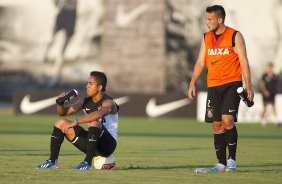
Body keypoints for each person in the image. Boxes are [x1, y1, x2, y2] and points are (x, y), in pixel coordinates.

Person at [187, 5, 254, 172]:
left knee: (227, 120)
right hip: (213, 86)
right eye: (206, 19)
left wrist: (249, 85)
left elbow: (244, 61)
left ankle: (232, 159)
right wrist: (192, 82)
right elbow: (200, 62)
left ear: (220, 19)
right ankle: (221, 164)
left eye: (210, 19)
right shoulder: (206, 37)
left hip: (232, 84)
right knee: (217, 125)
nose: (207, 22)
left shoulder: (235, 35)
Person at [36, 71, 119, 170]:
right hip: (92, 142)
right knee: (60, 122)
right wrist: (60, 103)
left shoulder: (108, 102)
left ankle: (87, 163)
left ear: (100, 87)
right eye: (87, 83)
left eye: (90, 83)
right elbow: (63, 113)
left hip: (107, 146)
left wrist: (76, 121)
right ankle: (52, 161)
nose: (87, 86)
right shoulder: (84, 101)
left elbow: (98, 114)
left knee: (94, 122)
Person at [260, 62, 280, 127]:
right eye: (269, 67)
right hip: (265, 94)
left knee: (273, 107)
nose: (270, 69)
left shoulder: (275, 76)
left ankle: (276, 121)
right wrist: (265, 91)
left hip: (272, 94)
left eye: (271, 67)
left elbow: (276, 85)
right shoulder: (264, 75)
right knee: (265, 107)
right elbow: (262, 84)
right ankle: (263, 120)